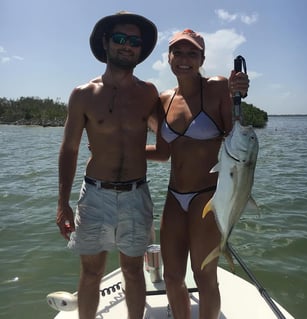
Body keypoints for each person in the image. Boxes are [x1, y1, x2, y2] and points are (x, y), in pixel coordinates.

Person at [56, 11, 164, 319]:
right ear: (106, 43)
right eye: (120, 39)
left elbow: (170, 142)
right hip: (95, 195)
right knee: (91, 273)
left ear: (140, 50)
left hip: (136, 194)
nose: (127, 46)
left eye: (134, 42)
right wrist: (62, 202)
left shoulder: (149, 93)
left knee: (133, 271)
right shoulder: (83, 94)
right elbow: (70, 148)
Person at [146, 29, 249, 319]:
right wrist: (121, 150)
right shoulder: (163, 99)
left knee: (204, 278)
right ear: (169, 57)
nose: (184, 59)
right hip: (173, 197)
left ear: (202, 58)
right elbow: (164, 153)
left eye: (192, 53)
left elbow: (237, 133)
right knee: (173, 278)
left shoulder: (216, 87)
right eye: (178, 52)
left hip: (208, 197)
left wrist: (239, 93)